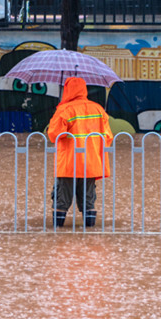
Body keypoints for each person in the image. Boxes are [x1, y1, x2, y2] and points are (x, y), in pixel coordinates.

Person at [47, 77, 112, 228]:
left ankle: (57, 232)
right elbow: (108, 136)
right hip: (91, 162)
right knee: (88, 199)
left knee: (62, 198)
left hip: (69, 163)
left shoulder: (65, 110)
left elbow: (54, 134)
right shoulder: (98, 109)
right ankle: (89, 232)